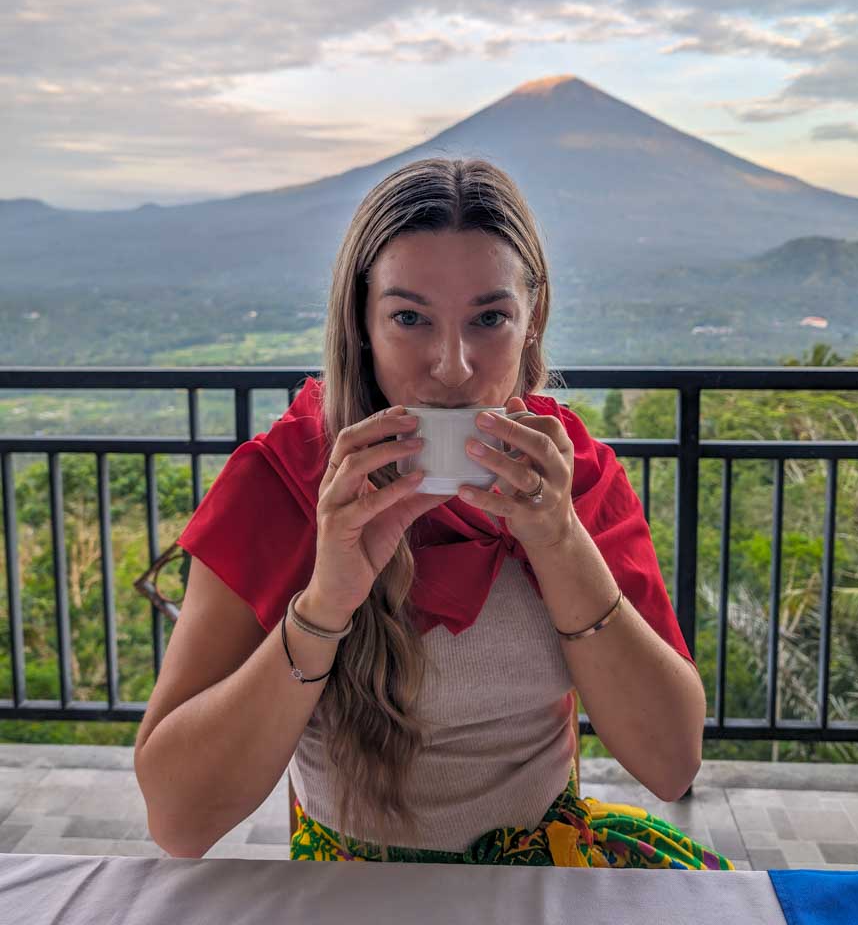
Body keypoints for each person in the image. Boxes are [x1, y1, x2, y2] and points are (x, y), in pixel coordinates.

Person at [134, 157, 732, 869]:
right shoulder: (283, 484)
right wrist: (325, 603)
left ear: (532, 321)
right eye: (410, 318)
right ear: (362, 321)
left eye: (490, 318)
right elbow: (178, 821)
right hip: (350, 896)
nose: (452, 366)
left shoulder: (572, 475)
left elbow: (671, 764)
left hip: (544, 878)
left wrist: (561, 541)